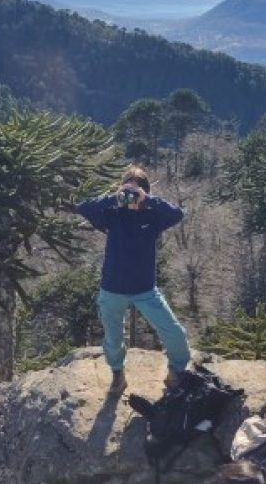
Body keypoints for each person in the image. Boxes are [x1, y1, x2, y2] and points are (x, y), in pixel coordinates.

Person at [77, 166, 190, 393]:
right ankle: (118, 375)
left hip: (145, 289)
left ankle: (176, 372)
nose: (131, 196)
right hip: (111, 289)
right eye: (127, 189)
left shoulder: (153, 216)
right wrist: (114, 197)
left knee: (175, 333)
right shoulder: (112, 215)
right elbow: (83, 208)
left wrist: (148, 200)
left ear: (145, 192)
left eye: (136, 190)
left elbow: (178, 214)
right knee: (113, 338)